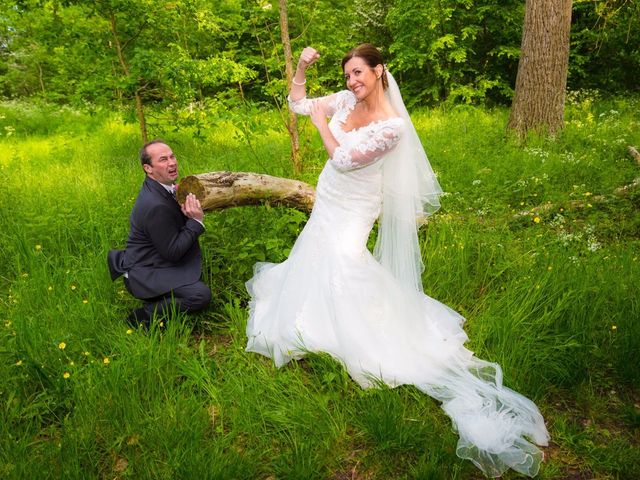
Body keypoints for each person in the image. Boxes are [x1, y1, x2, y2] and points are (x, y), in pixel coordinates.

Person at [245, 44, 549, 477]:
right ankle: (312, 315)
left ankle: (372, 330)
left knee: (345, 261)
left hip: (354, 206)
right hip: (328, 200)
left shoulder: (393, 128)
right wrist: (301, 67)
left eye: (358, 73)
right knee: (315, 256)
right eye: (348, 74)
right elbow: (297, 104)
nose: (352, 82)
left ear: (379, 70)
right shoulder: (347, 99)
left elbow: (345, 159)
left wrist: (319, 126)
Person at [107, 140, 211, 327]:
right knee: (200, 296)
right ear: (148, 168)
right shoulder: (154, 205)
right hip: (145, 272)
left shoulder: (162, 187)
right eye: (163, 160)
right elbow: (173, 252)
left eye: (172, 156)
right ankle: (142, 317)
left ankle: (161, 296)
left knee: (195, 279)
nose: (172, 163)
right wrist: (195, 222)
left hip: (154, 260)